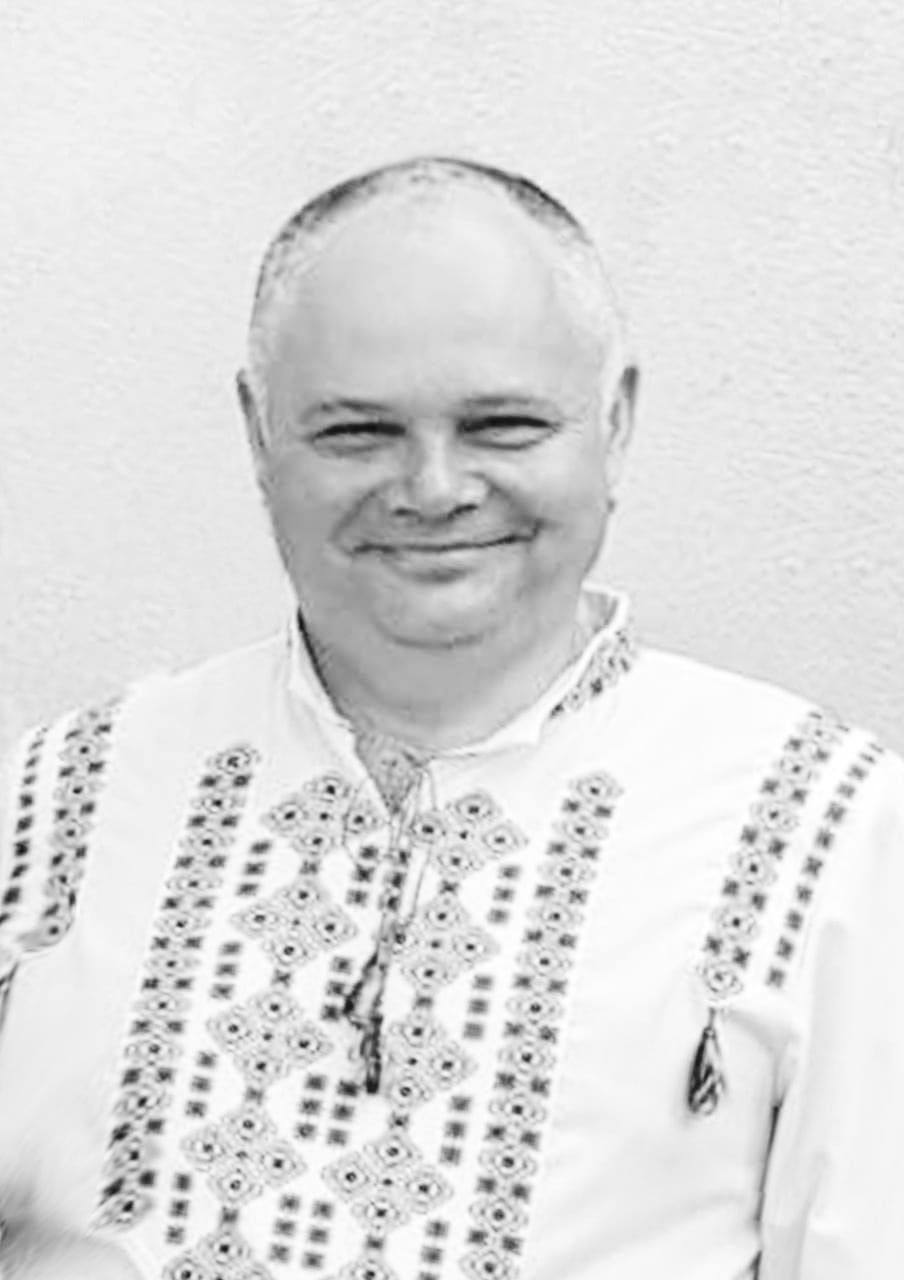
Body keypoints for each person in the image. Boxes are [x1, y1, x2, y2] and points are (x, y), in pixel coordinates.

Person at [0, 155, 901, 1280]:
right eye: (356, 432)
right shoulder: (54, 799)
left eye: (503, 426)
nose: (432, 488)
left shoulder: (830, 825)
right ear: (257, 433)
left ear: (615, 422)